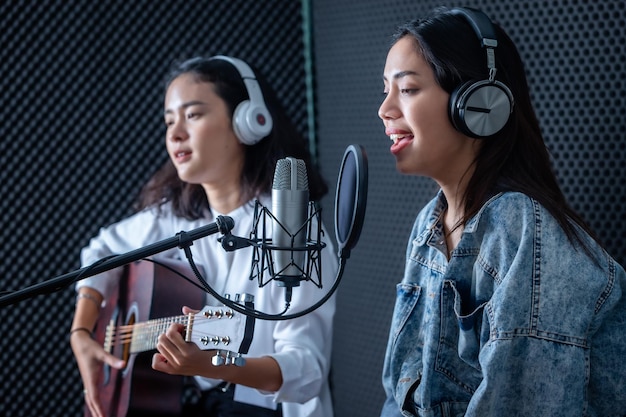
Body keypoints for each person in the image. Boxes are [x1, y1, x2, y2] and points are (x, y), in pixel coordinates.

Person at [377, 6, 626, 417]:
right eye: (384, 89)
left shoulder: (520, 229)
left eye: (406, 89)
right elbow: (398, 391)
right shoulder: (429, 224)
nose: (385, 109)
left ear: (479, 103)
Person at [70, 55, 338, 417]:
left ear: (249, 122)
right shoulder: (177, 217)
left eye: (193, 115)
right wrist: (82, 333)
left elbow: (306, 370)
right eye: (169, 121)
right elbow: (103, 250)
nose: (175, 133)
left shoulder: (290, 226)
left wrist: (210, 364)